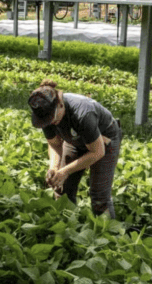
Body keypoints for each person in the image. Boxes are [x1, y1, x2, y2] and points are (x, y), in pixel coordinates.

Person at [28, 79, 122, 218]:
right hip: (74, 139)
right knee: (62, 188)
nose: (51, 123)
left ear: (60, 104)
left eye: (52, 119)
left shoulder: (82, 113)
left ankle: (109, 236)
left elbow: (97, 152)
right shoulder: (44, 114)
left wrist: (65, 171)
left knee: (99, 196)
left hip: (104, 140)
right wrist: (54, 167)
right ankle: (68, 230)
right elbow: (54, 144)